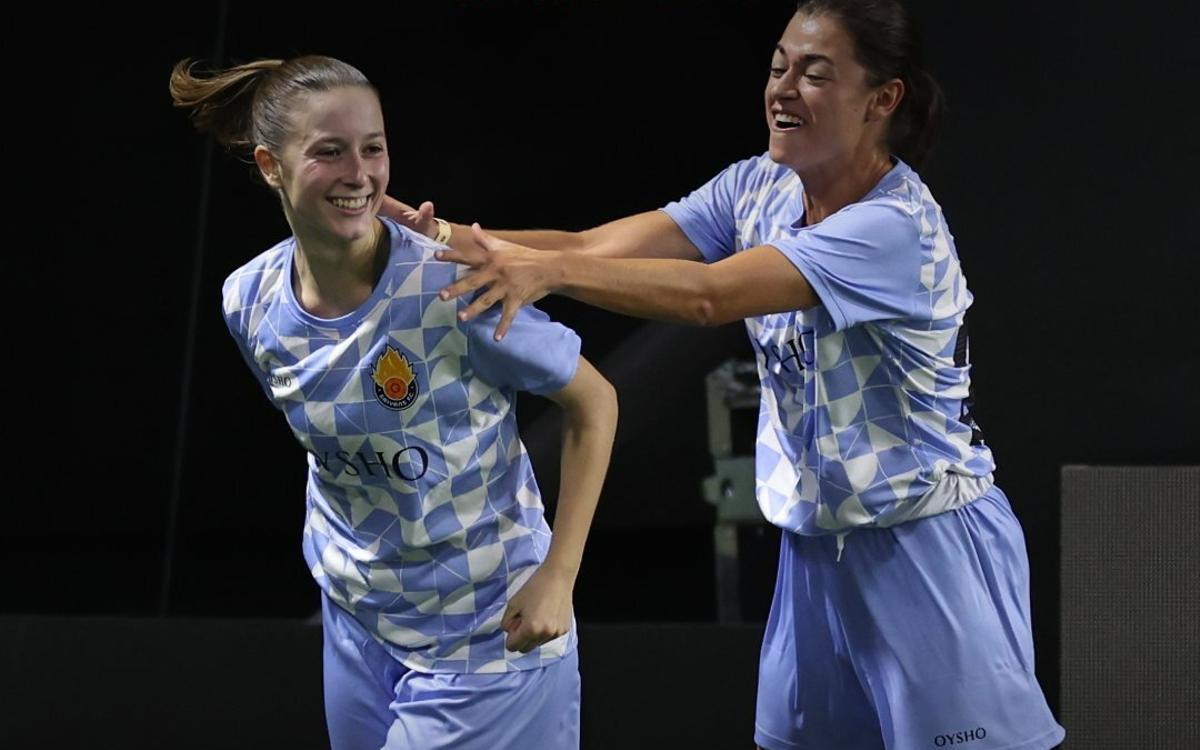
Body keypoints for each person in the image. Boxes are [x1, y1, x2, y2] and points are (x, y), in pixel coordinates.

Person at [382, 1, 1066, 748]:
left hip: (926, 545)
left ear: (883, 99)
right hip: (817, 548)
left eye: (814, 73)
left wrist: (542, 272)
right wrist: (441, 238)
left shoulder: (893, 228)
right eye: (778, 66)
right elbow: (597, 243)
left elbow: (710, 297)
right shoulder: (758, 187)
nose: (782, 88)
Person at [169, 55, 617, 750]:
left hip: (487, 631)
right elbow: (336, 450)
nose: (360, 173)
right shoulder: (249, 302)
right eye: (329, 152)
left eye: (373, 148)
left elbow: (595, 401)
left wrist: (559, 575)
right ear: (269, 166)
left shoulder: (452, 287)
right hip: (359, 626)